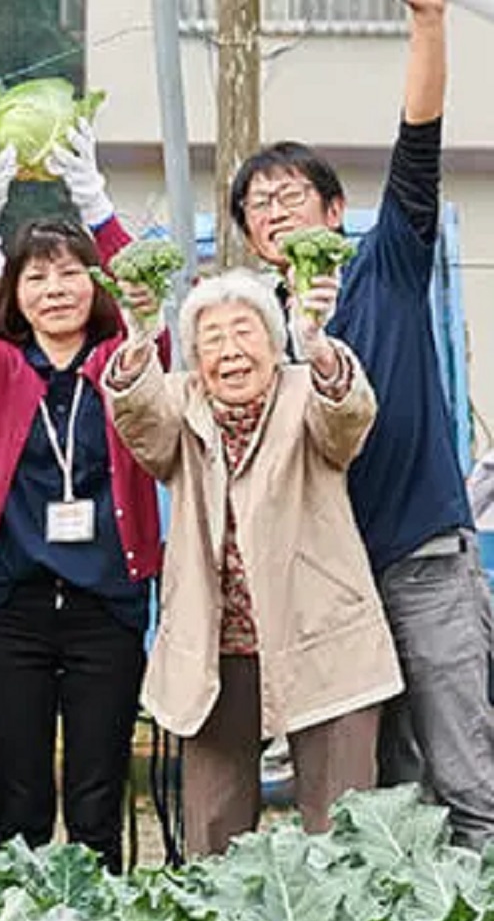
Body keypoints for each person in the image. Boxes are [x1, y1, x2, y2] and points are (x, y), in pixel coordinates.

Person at [228, 0, 494, 849]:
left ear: (335, 209)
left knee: (466, 775)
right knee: (377, 793)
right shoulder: (253, 329)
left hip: (422, 561)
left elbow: (419, 139)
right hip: (328, 588)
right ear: (253, 241)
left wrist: (428, 25)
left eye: (289, 195)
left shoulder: (388, 264)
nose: (275, 211)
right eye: (257, 207)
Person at [104, 269, 404, 855]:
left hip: (321, 639)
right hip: (217, 648)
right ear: (195, 359)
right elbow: (140, 421)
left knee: (341, 827)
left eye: (244, 332)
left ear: (274, 343)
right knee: (212, 830)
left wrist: (317, 344)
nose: (230, 351)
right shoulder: (181, 401)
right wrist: (139, 336)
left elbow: (347, 423)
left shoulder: (305, 391)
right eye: (212, 339)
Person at [0, 126, 164, 874]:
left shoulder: (122, 359)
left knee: (98, 792)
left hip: (106, 603)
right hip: (13, 604)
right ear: (17, 294)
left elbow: (148, 306)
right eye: (36, 277)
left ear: (94, 286)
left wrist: (96, 203)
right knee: (19, 794)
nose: (56, 289)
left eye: (71, 273)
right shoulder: (2, 367)